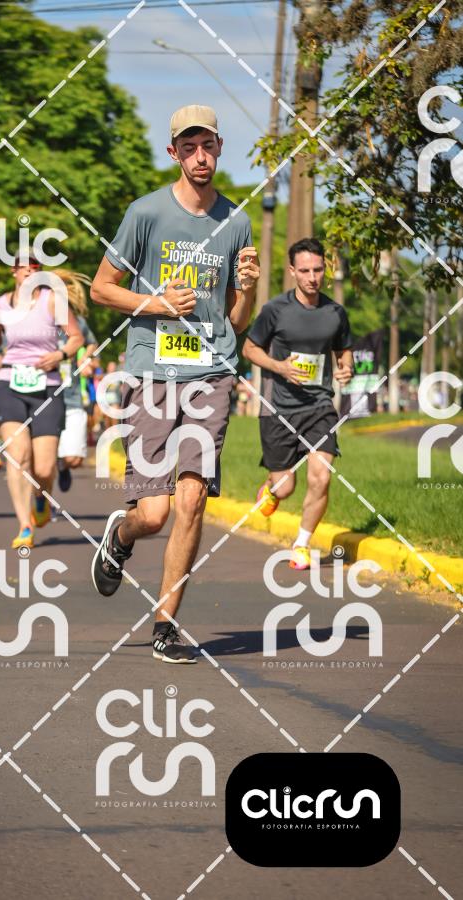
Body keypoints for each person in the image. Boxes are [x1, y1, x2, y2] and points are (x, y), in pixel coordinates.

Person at [90, 104, 259, 664]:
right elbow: (101, 288)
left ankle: (165, 626)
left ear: (219, 147)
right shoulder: (145, 213)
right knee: (154, 513)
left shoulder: (236, 222)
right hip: (153, 371)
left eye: (208, 145)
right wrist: (156, 303)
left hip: (212, 371)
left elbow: (235, 322)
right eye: (189, 147)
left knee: (192, 499)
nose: (200, 156)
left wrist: (249, 288)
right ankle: (121, 535)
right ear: (174, 153)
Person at [243, 237, 354, 570]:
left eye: (318, 270)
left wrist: (346, 367)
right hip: (278, 408)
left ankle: (302, 545)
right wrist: (279, 367)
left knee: (321, 475)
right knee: (285, 486)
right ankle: (271, 488)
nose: (312, 277)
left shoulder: (335, 313)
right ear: (292, 271)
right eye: (304, 271)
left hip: (319, 407)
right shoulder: (275, 310)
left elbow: (343, 350)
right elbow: (249, 349)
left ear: (325, 269)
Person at [0, 254, 83, 548]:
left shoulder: (52, 300)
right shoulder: (2, 304)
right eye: (24, 267)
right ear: (14, 272)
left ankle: (41, 498)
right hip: (10, 383)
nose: (30, 271)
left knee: (44, 469)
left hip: (47, 385)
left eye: (35, 267)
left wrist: (59, 355)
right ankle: (24, 526)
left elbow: (76, 337)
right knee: (18, 456)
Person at [52, 269, 98, 492]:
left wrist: (85, 358)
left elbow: (91, 343)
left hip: (71, 395)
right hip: (43, 397)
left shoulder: (76, 321)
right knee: (42, 458)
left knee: (74, 459)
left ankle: (62, 465)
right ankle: (43, 496)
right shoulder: (34, 320)